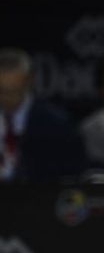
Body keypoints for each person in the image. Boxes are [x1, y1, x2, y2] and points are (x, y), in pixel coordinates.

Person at [0, 48, 85, 182]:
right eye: (1, 91)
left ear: (29, 81)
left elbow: (72, 175)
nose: (6, 98)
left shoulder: (57, 124)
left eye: (14, 91)